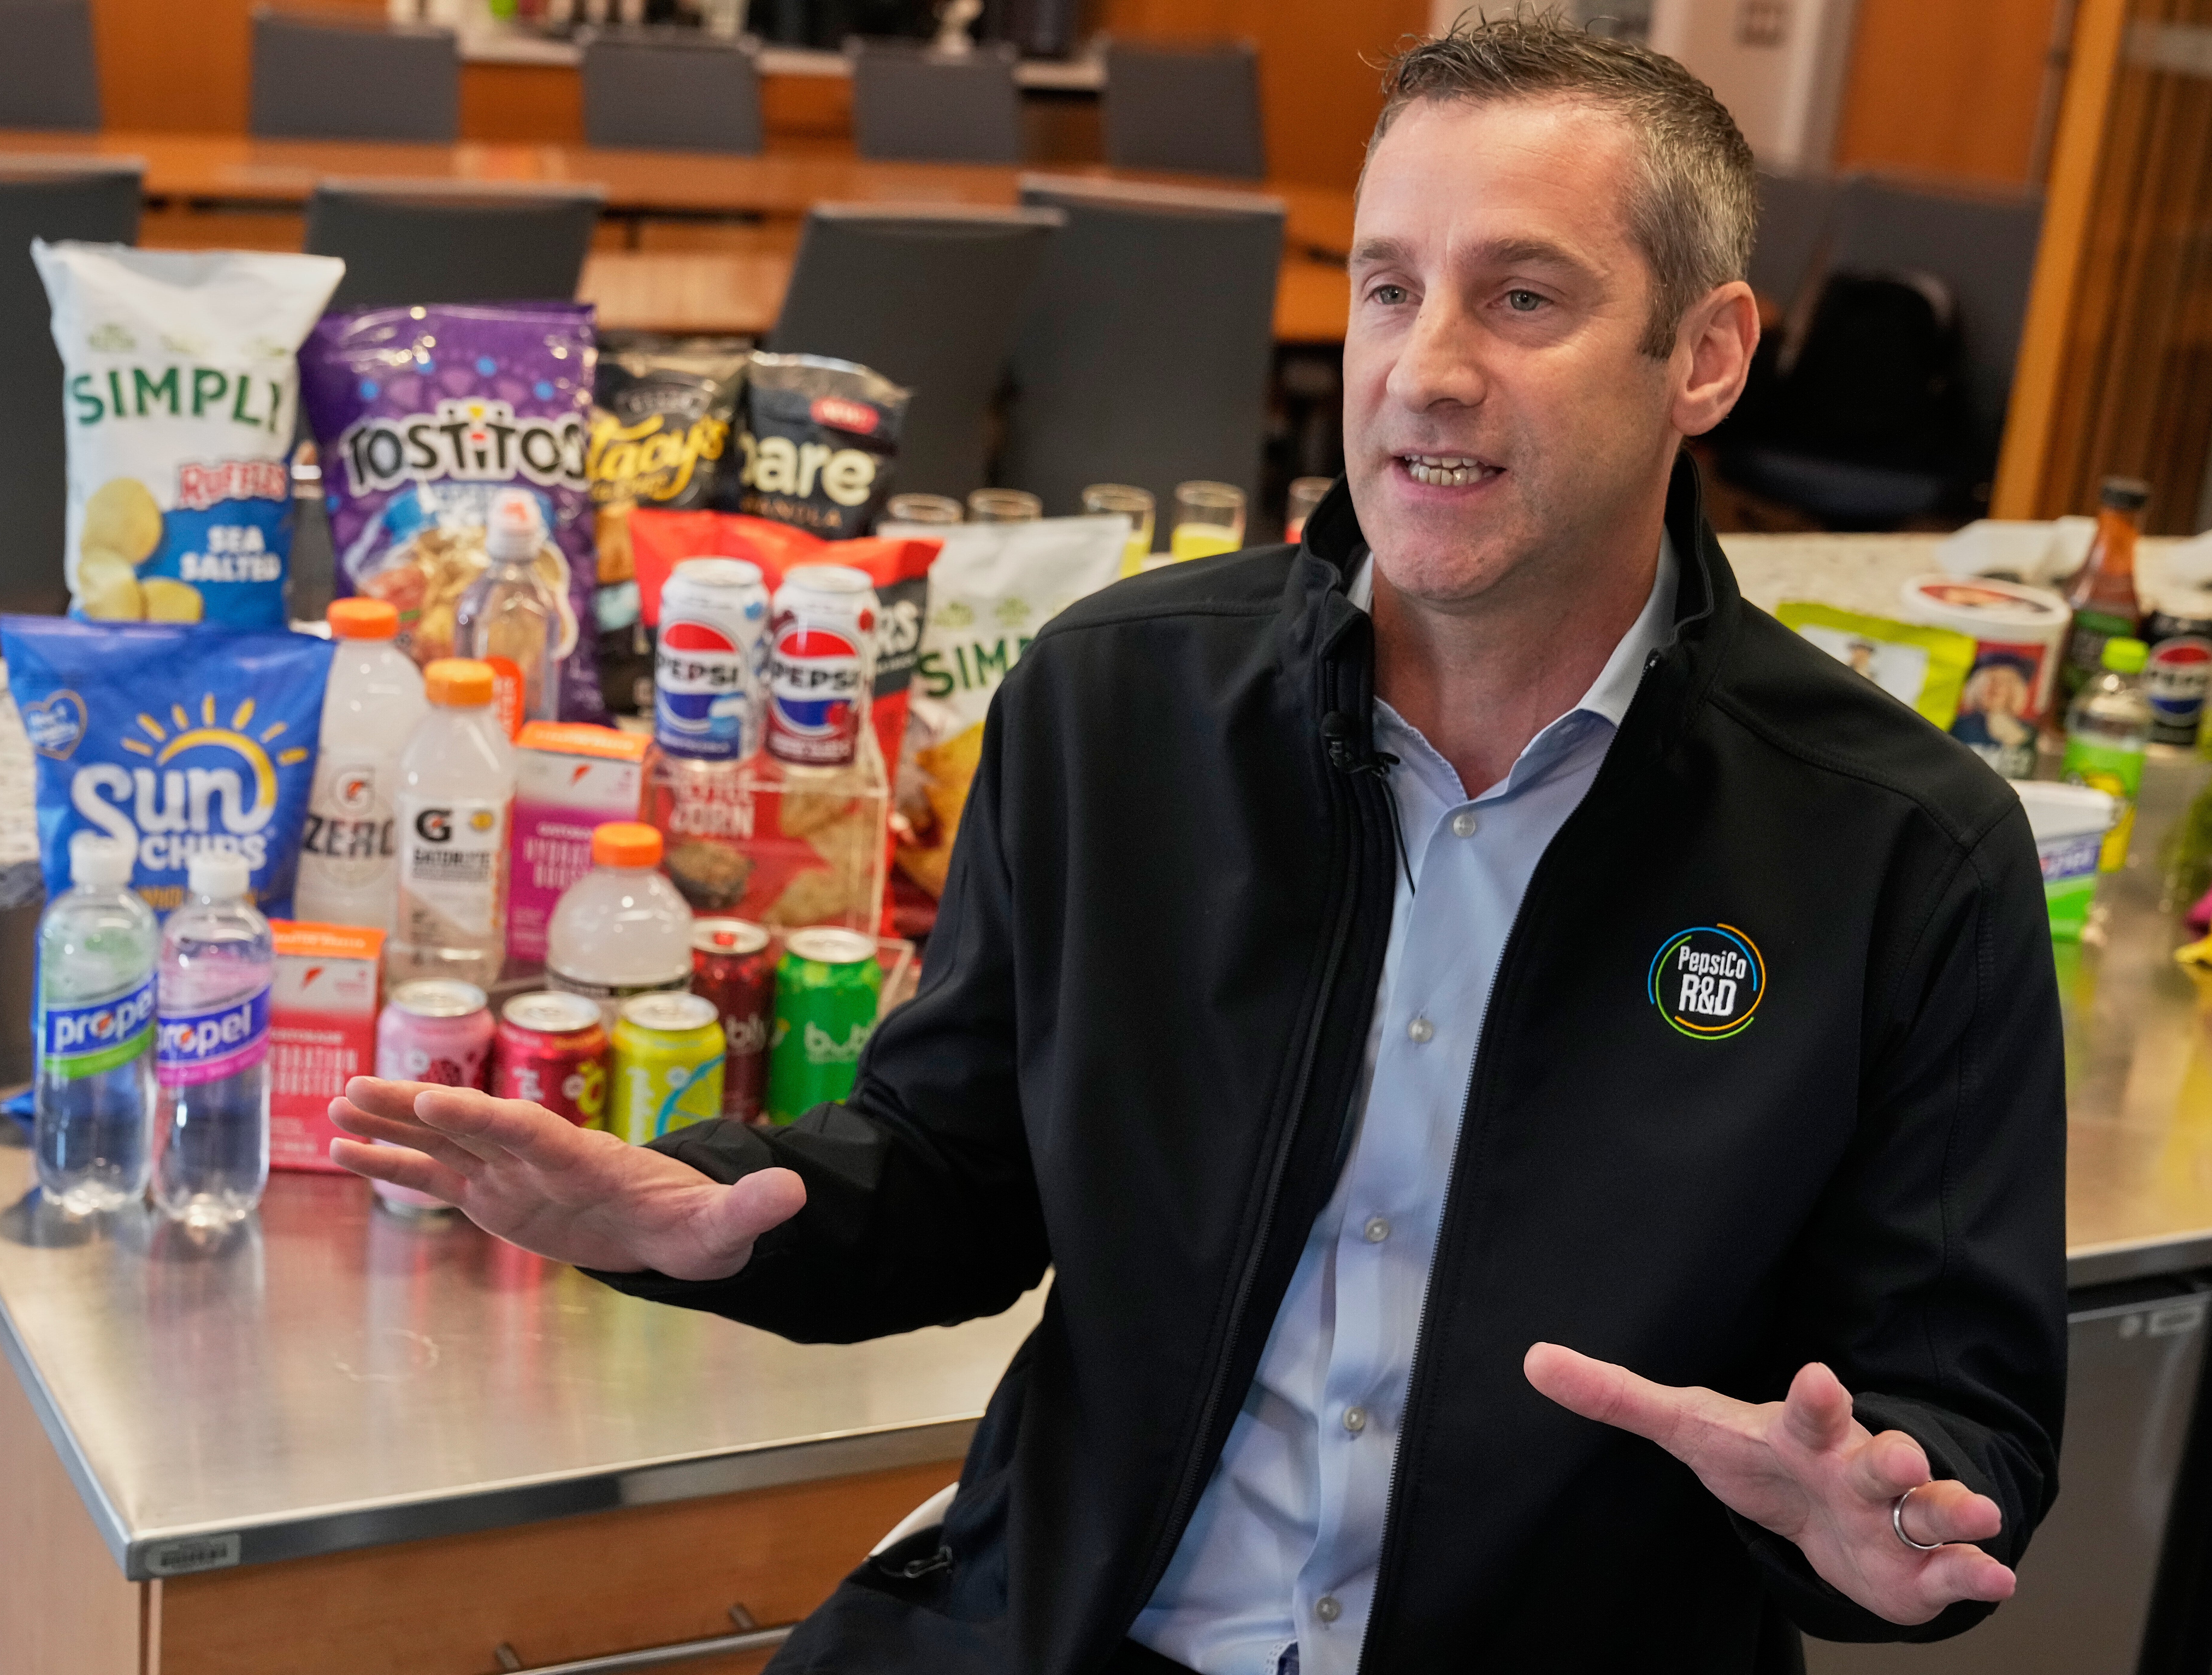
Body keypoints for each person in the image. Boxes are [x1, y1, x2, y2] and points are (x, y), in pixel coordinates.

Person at [333, 17, 2065, 1673]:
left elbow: (1951, 1410)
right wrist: (721, 1220)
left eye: (1522, 297)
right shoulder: (1114, 706)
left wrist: (1879, 1522)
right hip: (1088, 1634)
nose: (1426, 369)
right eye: (1389, 289)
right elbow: (958, 1172)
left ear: (1705, 355)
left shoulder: (1907, 856)